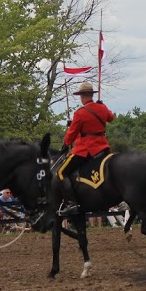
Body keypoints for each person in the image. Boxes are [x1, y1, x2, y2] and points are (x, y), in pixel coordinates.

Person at [57, 80, 115, 215]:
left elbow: (71, 135)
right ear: (92, 95)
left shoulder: (80, 113)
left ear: (82, 96)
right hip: (103, 147)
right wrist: (103, 106)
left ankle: (71, 203)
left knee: (61, 173)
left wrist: (66, 143)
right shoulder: (102, 108)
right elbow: (111, 118)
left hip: (86, 149)